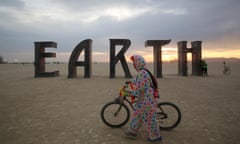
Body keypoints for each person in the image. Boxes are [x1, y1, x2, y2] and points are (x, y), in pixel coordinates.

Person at [124, 55, 162, 142]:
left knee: (150, 119)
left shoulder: (142, 73)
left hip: (146, 100)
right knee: (137, 115)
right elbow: (139, 81)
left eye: (134, 63)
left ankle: (156, 137)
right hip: (144, 100)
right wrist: (131, 81)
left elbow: (140, 88)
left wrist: (131, 93)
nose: (133, 65)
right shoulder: (143, 71)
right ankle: (132, 131)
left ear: (138, 63)